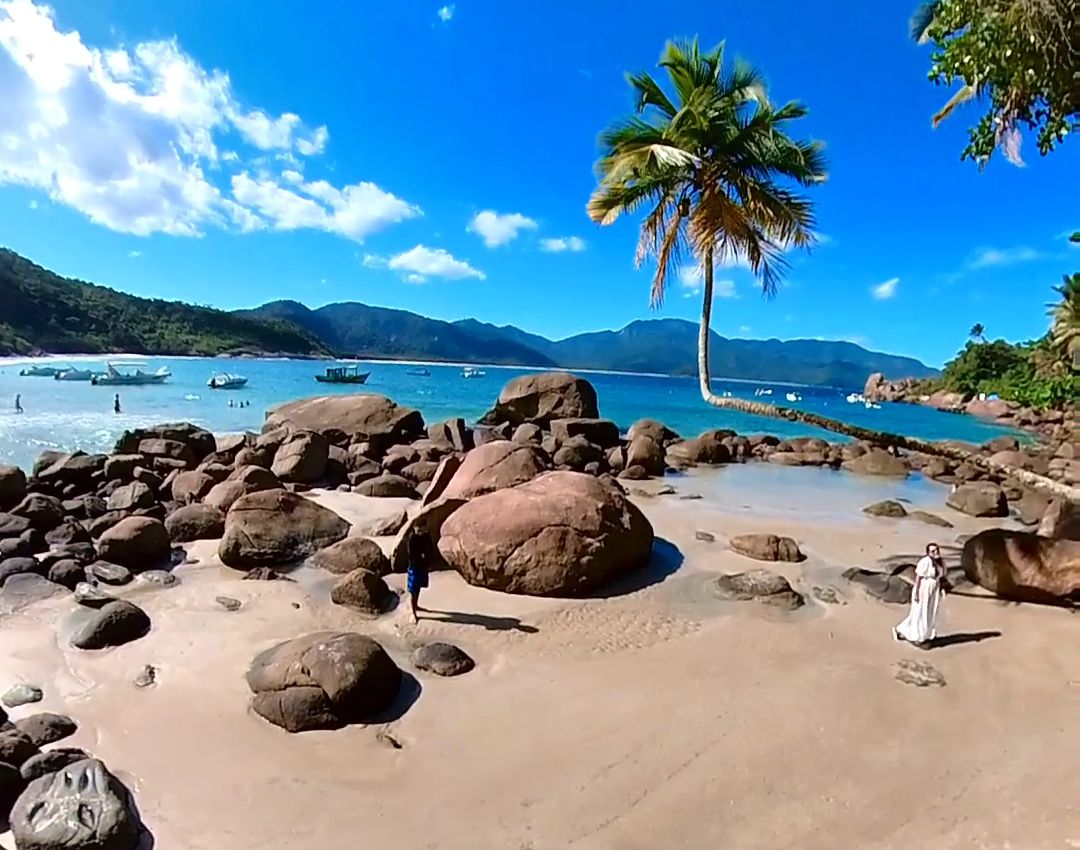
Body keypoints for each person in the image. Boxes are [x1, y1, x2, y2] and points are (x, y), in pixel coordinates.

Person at [893, 543, 946, 646]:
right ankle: (906, 632)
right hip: (924, 589)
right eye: (932, 551)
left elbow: (941, 577)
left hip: (934, 589)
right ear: (928, 553)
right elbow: (918, 578)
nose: (935, 552)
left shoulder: (941, 562)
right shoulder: (925, 562)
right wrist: (917, 593)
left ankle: (925, 634)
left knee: (930, 611)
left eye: (937, 550)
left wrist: (942, 589)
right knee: (920, 612)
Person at [406, 533, 431, 625]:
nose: (421, 530)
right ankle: (412, 612)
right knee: (412, 589)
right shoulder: (412, 538)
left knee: (419, 586)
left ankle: (416, 605)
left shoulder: (426, 536)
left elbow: (430, 549)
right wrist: (421, 556)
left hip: (423, 566)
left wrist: (426, 558)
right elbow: (410, 554)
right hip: (414, 567)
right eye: (419, 528)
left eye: (423, 528)